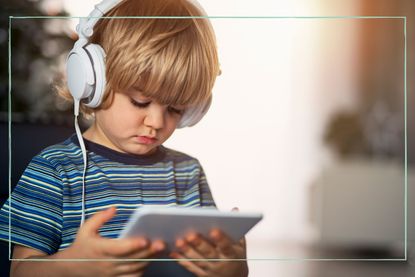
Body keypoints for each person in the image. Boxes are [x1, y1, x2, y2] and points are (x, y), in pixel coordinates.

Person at [0, 0, 248, 276]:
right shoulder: (55, 170)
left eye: (175, 109)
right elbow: (21, 270)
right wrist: (70, 265)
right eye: (140, 101)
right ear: (92, 80)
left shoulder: (187, 173)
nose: (156, 122)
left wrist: (232, 270)